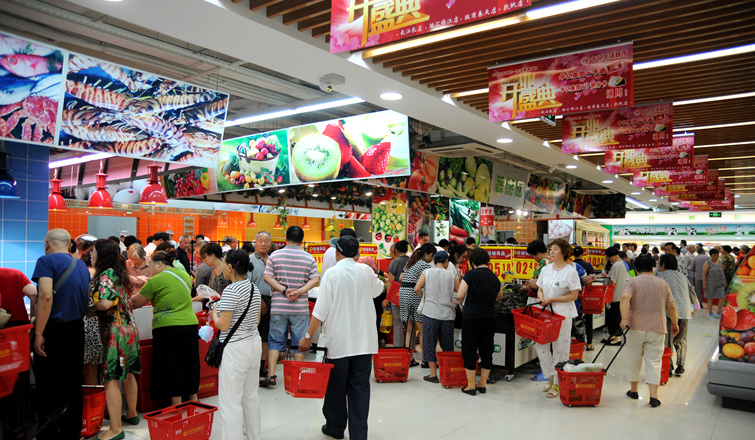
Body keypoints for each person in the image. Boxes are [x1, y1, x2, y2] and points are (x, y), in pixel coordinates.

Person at [298, 235, 383, 440]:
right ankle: (359, 435)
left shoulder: (331, 274)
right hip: (364, 343)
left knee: (336, 388)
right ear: (357, 253)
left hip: (339, 343)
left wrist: (308, 336)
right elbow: (379, 289)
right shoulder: (366, 271)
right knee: (360, 389)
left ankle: (335, 428)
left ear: (337, 253)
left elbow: (320, 311)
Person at [32, 229, 90, 440]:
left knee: (48, 385)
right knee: (73, 383)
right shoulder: (81, 265)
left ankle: (48, 434)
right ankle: (71, 433)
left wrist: (39, 333)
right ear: (70, 245)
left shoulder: (46, 261)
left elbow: (45, 296)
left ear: (47, 244)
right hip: (77, 329)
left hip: (54, 331)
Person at [131, 249, 199, 405]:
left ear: (159, 264)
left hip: (167, 327)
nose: (150, 269)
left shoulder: (155, 280)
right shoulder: (184, 275)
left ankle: (177, 404)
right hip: (190, 324)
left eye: (150, 265)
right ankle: (193, 399)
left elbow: (135, 302)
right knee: (190, 363)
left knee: (172, 364)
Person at [91, 239, 141, 440]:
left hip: (115, 332)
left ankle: (115, 429)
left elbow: (104, 304)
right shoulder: (121, 273)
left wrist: (89, 308)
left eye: (93, 252)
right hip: (129, 328)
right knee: (128, 374)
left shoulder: (106, 274)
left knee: (110, 378)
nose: (91, 255)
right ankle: (132, 413)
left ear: (101, 254)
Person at [211, 249, 262, 440]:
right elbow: (256, 320)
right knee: (251, 398)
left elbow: (223, 325)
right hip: (253, 344)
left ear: (231, 267)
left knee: (231, 403)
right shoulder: (253, 288)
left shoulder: (231, 290)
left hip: (235, 349)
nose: (222, 267)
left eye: (224, 264)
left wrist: (214, 313)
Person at [263, 226, 320, 387]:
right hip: (299, 307)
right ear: (302, 240)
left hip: (278, 306)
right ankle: (299, 377)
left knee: (275, 341)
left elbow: (267, 277)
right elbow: (315, 279)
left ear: (286, 238)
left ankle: (271, 375)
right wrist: (299, 291)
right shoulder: (309, 258)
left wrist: (284, 290)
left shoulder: (275, 255)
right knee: (299, 342)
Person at [621, 255, 679, 408]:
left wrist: (624, 319)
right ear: (653, 268)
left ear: (636, 269)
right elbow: (671, 306)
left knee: (634, 358)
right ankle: (654, 396)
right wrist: (674, 323)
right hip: (657, 327)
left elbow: (625, 297)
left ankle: (634, 390)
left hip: (636, 327)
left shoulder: (632, 281)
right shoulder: (663, 284)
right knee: (654, 361)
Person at [532, 239, 580, 398]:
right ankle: (550, 376)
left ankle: (558, 383)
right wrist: (541, 297)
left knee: (560, 348)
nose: (551, 252)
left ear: (564, 252)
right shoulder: (545, 269)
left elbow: (574, 295)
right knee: (541, 345)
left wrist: (553, 299)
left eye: (555, 249)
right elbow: (539, 289)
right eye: (550, 249)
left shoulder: (570, 271)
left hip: (563, 314)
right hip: (545, 313)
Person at [456, 248, 502, 396]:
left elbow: (460, 295)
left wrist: (461, 304)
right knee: (486, 349)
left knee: (469, 349)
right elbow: (499, 297)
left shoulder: (470, 274)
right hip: (489, 316)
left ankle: (471, 386)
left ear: (473, 262)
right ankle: (482, 383)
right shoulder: (494, 276)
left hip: (472, 316)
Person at [414, 251, 459, 383]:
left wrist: (425, 297)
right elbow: (459, 291)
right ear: (446, 262)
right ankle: (448, 373)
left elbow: (417, 289)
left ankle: (433, 374)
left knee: (429, 343)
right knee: (447, 344)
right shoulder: (451, 275)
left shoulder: (427, 272)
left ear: (434, 261)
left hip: (431, 313)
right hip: (447, 315)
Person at [398, 243, 436, 366]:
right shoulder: (425, 265)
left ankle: (409, 359)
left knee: (409, 328)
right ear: (426, 254)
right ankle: (426, 359)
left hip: (403, 293)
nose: (432, 259)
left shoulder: (410, 262)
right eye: (432, 256)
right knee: (422, 329)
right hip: (414, 293)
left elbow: (401, 277)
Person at [656, 254, 692, 375]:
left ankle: (668, 367)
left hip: (669, 312)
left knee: (667, 340)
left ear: (663, 265)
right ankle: (681, 364)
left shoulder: (661, 276)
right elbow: (691, 292)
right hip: (685, 311)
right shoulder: (683, 276)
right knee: (681, 339)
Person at [248, 231, 273, 384]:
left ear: (270, 244)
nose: (263, 244)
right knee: (254, 334)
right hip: (254, 300)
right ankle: (253, 366)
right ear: (255, 243)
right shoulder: (250, 260)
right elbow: (247, 283)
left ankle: (261, 365)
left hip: (271, 300)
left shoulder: (272, 260)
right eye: (260, 241)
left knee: (266, 335)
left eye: (266, 241)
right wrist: (258, 300)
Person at [385, 240, 410, 348]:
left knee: (398, 323)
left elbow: (390, 281)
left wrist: (388, 298)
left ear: (396, 251)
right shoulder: (412, 261)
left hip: (396, 297)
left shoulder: (394, 262)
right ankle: (410, 348)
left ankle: (398, 347)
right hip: (410, 296)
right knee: (410, 324)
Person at [572, 246, 596, 350]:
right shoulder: (586, 265)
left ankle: (573, 347)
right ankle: (588, 343)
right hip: (585, 298)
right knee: (586, 321)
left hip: (572, 300)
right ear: (583, 254)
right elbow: (593, 277)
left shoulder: (572, 266)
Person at [604, 246, 628, 346]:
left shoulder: (615, 266)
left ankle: (617, 338)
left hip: (614, 296)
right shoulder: (622, 264)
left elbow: (612, 283)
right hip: (621, 294)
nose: (608, 259)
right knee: (616, 316)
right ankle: (613, 336)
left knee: (614, 318)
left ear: (612, 256)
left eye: (608, 257)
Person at [703, 248, 727, 318]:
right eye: (714, 255)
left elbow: (722, 272)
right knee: (710, 298)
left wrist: (725, 282)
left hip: (720, 283)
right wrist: (704, 284)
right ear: (711, 255)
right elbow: (704, 274)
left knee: (722, 297)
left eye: (717, 255)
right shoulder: (707, 263)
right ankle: (710, 312)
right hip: (710, 284)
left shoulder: (720, 262)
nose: (716, 257)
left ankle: (719, 311)